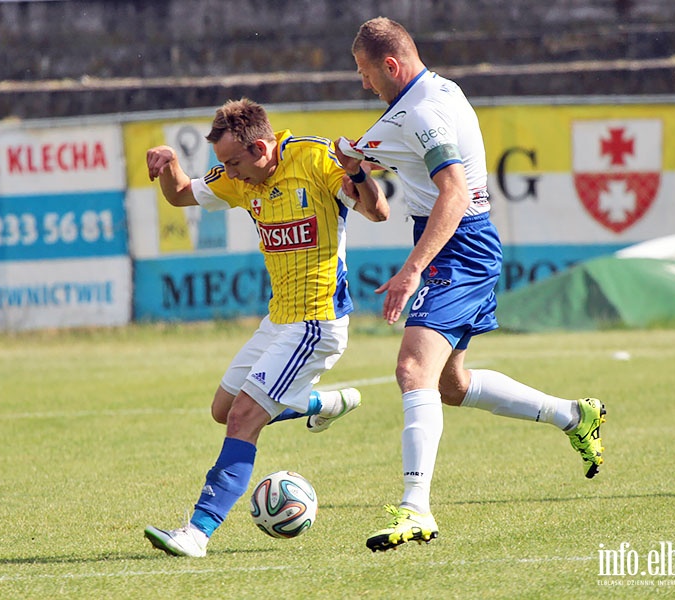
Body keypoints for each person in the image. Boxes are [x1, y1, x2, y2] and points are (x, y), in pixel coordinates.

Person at [340, 17, 607, 553]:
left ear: (390, 66)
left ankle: (415, 509)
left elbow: (455, 193)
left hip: (458, 245)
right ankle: (575, 415)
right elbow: (389, 152)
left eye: (366, 73)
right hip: (459, 243)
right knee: (448, 385)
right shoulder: (430, 94)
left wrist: (413, 268)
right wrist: (357, 164)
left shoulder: (424, 112)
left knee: (412, 368)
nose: (364, 84)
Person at [142, 97, 389, 557]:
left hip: (316, 323)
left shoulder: (315, 159)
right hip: (278, 322)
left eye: (234, 163)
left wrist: (356, 172)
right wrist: (169, 162)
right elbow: (180, 194)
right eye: (223, 165)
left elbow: (377, 211)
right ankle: (321, 403)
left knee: (243, 419)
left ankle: (197, 533)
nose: (229, 175)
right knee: (224, 408)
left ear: (260, 148)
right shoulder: (241, 175)